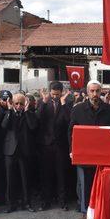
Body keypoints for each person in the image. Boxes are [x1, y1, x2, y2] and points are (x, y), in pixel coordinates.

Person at [69, 80, 110, 219]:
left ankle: (103, 209)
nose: (95, 94)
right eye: (92, 91)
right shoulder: (78, 109)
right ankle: (86, 211)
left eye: (97, 91)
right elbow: (71, 131)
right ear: (87, 92)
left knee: (104, 183)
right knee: (85, 184)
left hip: (104, 154)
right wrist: (72, 150)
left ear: (101, 91)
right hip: (84, 154)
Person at [37, 81, 72, 211]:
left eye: (57, 94)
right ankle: (45, 201)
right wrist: (45, 102)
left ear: (61, 92)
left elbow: (69, 121)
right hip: (46, 145)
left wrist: (63, 104)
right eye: (53, 94)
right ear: (49, 91)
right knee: (46, 174)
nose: (55, 97)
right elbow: (37, 119)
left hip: (61, 145)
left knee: (61, 174)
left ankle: (62, 201)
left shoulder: (67, 103)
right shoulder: (43, 102)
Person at [2, 92, 38, 213]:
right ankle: (11, 204)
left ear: (25, 103)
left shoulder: (30, 113)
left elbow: (33, 127)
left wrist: (27, 111)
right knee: (10, 179)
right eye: (16, 103)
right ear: (12, 103)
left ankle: (26, 203)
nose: (18, 106)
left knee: (25, 178)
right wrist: (9, 110)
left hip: (24, 151)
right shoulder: (9, 113)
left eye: (21, 104)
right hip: (10, 150)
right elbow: (4, 126)